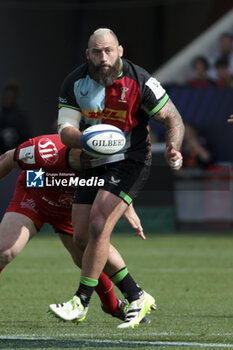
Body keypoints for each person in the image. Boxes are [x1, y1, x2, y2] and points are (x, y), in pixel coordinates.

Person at [49, 28, 184, 328]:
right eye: (97, 51)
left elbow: (173, 117)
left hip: (131, 161)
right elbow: (65, 129)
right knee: (82, 237)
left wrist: (174, 145)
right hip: (93, 161)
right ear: (88, 54)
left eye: (109, 50)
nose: (103, 57)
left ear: (120, 50)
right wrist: (84, 139)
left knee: (99, 225)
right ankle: (137, 295)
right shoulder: (74, 82)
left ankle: (80, 301)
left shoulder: (140, 80)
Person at [0, 133, 148, 322]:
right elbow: (6, 159)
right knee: (4, 251)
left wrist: (127, 206)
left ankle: (113, 306)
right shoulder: (46, 149)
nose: (103, 163)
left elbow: (116, 184)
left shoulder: (106, 164)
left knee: (87, 256)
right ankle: (130, 297)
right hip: (34, 198)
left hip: (73, 211)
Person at [0, 80, 30, 154]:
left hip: (15, 154)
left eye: (11, 97)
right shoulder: (1, 114)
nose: (9, 99)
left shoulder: (21, 116)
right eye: (8, 97)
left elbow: (27, 138)